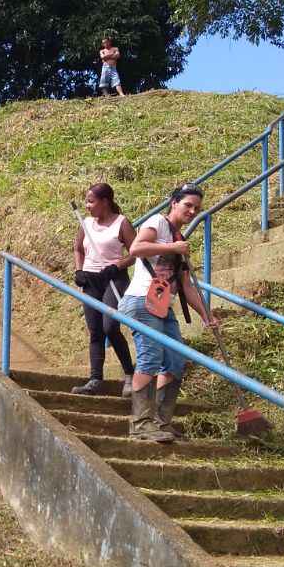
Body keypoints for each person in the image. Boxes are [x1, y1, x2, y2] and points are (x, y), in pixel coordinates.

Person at [119, 184, 219, 442]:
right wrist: (172, 249)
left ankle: (161, 422)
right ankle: (141, 423)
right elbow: (136, 248)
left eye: (197, 208)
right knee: (150, 358)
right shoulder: (158, 223)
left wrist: (206, 314)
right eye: (188, 205)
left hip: (163, 304)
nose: (192, 210)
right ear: (174, 203)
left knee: (175, 361)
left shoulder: (180, 240)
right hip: (141, 300)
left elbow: (186, 286)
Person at [72, 182, 137, 397]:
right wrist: (79, 270)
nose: (87, 206)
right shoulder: (87, 223)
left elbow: (136, 252)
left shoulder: (121, 223)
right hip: (91, 280)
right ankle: (95, 379)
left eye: (91, 201)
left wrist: (117, 265)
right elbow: (78, 248)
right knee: (95, 331)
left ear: (105, 202)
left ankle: (129, 374)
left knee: (110, 327)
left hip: (113, 278)